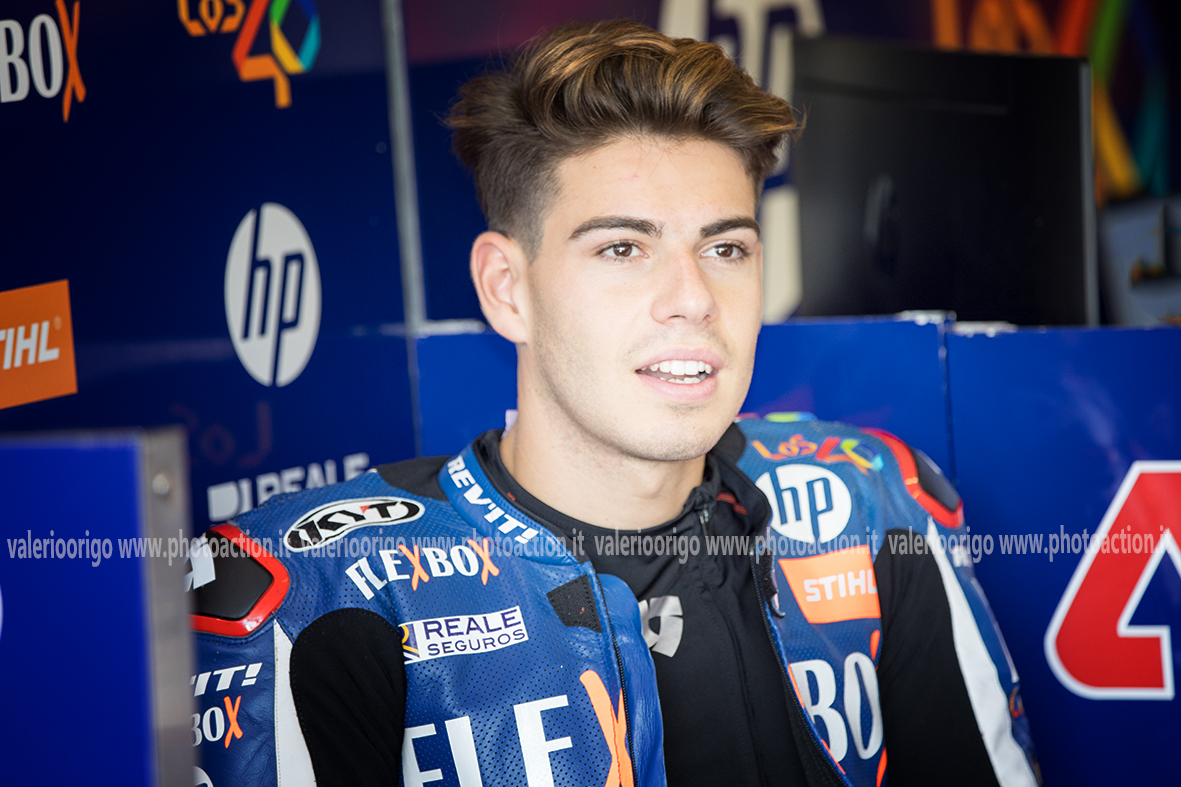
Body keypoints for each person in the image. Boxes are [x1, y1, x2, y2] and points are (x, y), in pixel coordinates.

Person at [190, 20, 1039, 787]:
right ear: (507, 288)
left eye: (725, 248)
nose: (692, 299)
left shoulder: (868, 499)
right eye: (623, 248)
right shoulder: (320, 591)